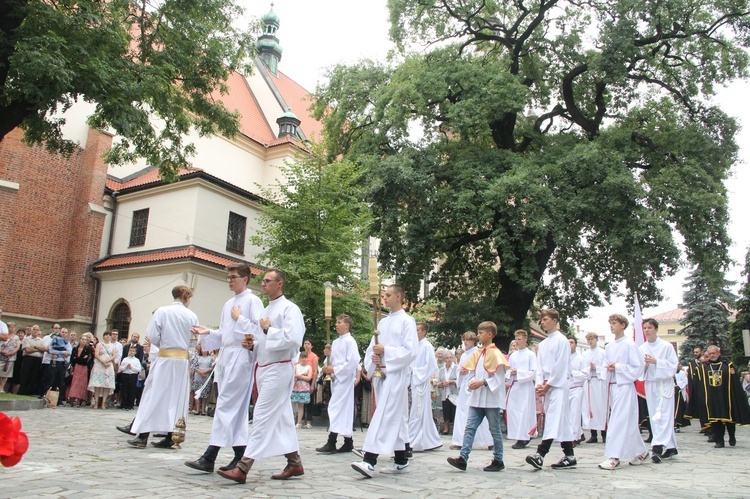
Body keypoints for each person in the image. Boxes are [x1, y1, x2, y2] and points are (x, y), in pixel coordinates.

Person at [217, 268, 306, 483]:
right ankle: (295, 463)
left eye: (268, 281)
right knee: (282, 418)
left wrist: (268, 331)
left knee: (262, 415)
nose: (263, 284)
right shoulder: (266, 310)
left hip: (279, 368)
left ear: (280, 284)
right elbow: (263, 342)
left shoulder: (290, 309)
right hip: (265, 367)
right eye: (263, 281)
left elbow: (294, 339)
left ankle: (243, 467)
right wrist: (252, 345)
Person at [184, 264, 263, 473]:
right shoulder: (229, 303)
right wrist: (208, 332)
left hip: (241, 356)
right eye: (228, 277)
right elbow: (225, 336)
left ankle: (210, 455)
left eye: (233, 277)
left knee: (227, 405)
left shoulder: (253, 301)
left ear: (245, 279)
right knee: (232, 407)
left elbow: (260, 331)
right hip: (227, 355)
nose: (229, 280)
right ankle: (239, 455)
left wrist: (240, 319)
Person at [351, 284, 418, 478]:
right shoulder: (382, 323)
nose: (384, 299)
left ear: (398, 296)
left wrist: (386, 352)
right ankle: (401, 460)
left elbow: (411, 350)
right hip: (382, 374)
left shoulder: (407, 321)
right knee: (394, 416)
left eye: (388, 295)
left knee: (384, 415)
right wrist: (372, 361)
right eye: (383, 295)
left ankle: (369, 460)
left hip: (396, 375)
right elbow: (373, 347)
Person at [124, 285, 199, 448]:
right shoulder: (192, 315)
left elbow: (152, 335)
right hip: (182, 361)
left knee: (154, 394)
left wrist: (164, 344)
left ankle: (143, 435)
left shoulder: (162, 311)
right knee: (177, 397)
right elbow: (194, 341)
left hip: (165, 358)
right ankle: (172, 436)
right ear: (185, 296)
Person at [447, 321, 509, 472]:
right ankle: (463, 458)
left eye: (481, 333)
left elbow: (499, 378)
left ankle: (498, 459)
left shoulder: (496, 354)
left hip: (490, 399)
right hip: (476, 398)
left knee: (494, 429)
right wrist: (470, 383)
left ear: (489, 334)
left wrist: (483, 382)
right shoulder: (477, 354)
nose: (478, 335)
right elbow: (470, 372)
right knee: (469, 428)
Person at [525, 309, 577, 470]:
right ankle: (570, 456)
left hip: (559, 385)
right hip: (547, 385)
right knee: (562, 422)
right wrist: (539, 384)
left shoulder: (562, 341)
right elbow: (539, 367)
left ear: (555, 320)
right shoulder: (543, 344)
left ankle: (540, 454)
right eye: (541, 320)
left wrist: (548, 385)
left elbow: (561, 366)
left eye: (546, 319)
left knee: (554, 419)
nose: (542, 323)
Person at [598, 314, 649, 470]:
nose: (611, 326)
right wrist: (607, 369)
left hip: (625, 386)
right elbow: (604, 365)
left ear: (622, 325)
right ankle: (641, 451)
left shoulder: (630, 345)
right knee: (626, 423)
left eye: (614, 323)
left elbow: (637, 367)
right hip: (613, 386)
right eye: (610, 323)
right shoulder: (610, 346)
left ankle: (614, 456)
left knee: (618, 422)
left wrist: (618, 367)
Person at [316, 314, 361, 454]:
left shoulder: (350, 341)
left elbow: (353, 362)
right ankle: (348, 442)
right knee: (344, 410)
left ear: (347, 325)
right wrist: (326, 360)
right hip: (337, 380)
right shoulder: (335, 342)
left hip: (345, 380)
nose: (336, 324)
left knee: (334, 407)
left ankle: (332, 441)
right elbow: (331, 361)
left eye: (339, 322)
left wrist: (335, 369)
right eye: (336, 322)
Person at [638, 318, 679, 462]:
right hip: (651, 384)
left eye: (649, 327)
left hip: (664, 383)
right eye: (645, 328)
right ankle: (671, 447)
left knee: (664, 415)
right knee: (655, 414)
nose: (647, 330)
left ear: (656, 329)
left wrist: (657, 362)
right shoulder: (642, 348)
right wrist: (645, 365)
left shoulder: (666, 346)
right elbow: (639, 370)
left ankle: (657, 447)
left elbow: (673, 365)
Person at [700, 345, 750, 447]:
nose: (712, 355)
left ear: (719, 353)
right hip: (712, 398)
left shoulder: (727, 364)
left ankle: (732, 436)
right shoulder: (705, 367)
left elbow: (734, 381)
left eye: (714, 353)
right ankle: (719, 441)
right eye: (710, 354)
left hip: (726, 397)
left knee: (729, 419)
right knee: (715, 420)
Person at [451, 331, 493, 450]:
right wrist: (461, 372)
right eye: (464, 340)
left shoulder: (478, 352)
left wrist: (468, 372)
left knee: (476, 412)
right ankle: (460, 440)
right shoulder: (464, 355)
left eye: (468, 340)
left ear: (474, 341)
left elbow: (479, 369)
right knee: (462, 412)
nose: (466, 342)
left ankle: (487, 440)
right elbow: (459, 369)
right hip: (464, 385)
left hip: (473, 385)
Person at [408, 322, 443, 452]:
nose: (415, 332)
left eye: (417, 330)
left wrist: (415, 371)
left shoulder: (427, 346)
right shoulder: (415, 345)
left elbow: (431, 366)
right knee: (420, 412)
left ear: (424, 332)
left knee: (418, 412)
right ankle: (431, 440)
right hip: (415, 380)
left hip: (420, 382)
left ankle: (414, 441)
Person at [506, 329, 537, 449]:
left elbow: (534, 372)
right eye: (516, 339)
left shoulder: (531, 355)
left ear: (525, 340)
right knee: (513, 411)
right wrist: (510, 373)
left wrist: (519, 372)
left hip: (525, 387)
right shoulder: (513, 355)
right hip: (515, 386)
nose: (517, 342)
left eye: (519, 339)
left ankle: (523, 437)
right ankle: (516, 435)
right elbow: (508, 370)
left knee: (524, 411)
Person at [582, 332, 607, 443]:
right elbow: (583, 368)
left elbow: (605, 367)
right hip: (589, 381)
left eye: (592, 339)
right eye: (588, 339)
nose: (590, 341)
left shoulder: (603, 352)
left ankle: (604, 433)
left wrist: (596, 368)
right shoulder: (585, 353)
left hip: (599, 382)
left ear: (597, 340)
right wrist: (588, 369)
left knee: (600, 408)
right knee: (590, 408)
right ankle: (593, 435)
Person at [88, 331, 116, 409]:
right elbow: (96, 354)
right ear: (103, 337)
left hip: (108, 365)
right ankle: (96, 402)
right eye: (106, 335)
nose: (108, 336)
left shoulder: (113, 346)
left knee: (106, 385)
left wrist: (107, 361)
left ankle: (103, 402)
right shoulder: (99, 345)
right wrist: (102, 361)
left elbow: (114, 356)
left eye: (109, 335)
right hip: (99, 365)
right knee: (98, 384)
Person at [568, 336, 587, 444]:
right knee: (567, 414)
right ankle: (579, 433)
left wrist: (572, 373)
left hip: (577, 388)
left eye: (571, 342)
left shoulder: (581, 358)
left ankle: (573, 438)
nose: (569, 344)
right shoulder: (562, 358)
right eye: (568, 343)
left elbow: (585, 374)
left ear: (575, 344)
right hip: (566, 389)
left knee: (575, 414)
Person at [68, 332, 94, 407]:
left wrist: (78, 359)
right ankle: (72, 398)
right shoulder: (75, 349)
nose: (84, 341)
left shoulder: (88, 349)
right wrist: (79, 359)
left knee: (81, 384)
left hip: (84, 368)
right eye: (82, 339)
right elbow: (73, 359)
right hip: (76, 367)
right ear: (80, 340)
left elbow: (86, 361)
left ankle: (79, 400)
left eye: (85, 340)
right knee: (74, 383)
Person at [437, 350, 458, 436]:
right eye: (447, 358)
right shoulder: (442, 370)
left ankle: (455, 428)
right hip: (445, 393)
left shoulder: (456, 368)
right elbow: (438, 382)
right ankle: (446, 428)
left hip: (454, 393)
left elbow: (460, 380)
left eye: (450, 357)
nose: (449, 359)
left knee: (454, 410)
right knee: (446, 410)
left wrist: (451, 381)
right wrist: (442, 383)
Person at [189, 343, 214, 416]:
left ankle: (203, 410)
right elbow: (195, 366)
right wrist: (200, 372)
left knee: (205, 394)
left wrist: (205, 372)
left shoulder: (210, 359)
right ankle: (197, 409)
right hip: (198, 377)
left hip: (206, 377)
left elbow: (211, 367)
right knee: (197, 393)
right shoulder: (197, 357)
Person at [19, 325, 44, 395]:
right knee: (25, 376)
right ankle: (22, 392)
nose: (35, 331)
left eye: (37, 330)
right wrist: (38, 349)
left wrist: (34, 347)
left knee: (34, 376)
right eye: (34, 329)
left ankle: (30, 392)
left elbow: (45, 349)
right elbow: (27, 350)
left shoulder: (41, 340)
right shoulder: (27, 339)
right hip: (28, 359)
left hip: (37, 360)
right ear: (32, 330)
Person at [302, 339, 319, 429]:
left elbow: (315, 371)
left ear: (311, 346)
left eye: (308, 343)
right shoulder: (301, 355)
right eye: (305, 343)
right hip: (301, 378)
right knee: (301, 400)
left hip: (310, 378)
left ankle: (308, 420)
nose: (306, 345)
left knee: (309, 401)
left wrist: (313, 384)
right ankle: (300, 419)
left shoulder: (314, 356)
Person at [292, 351, 313, 427]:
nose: (304, 359)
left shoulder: (309, 367)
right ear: (300, 358)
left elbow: (309, 377)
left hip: (303, 387)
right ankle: (291, 420)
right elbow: (293, 375)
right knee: (293, 403)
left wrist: (300, 376)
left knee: (301, 405)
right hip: (295, 386)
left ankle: (298, 422)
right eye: (302, 357)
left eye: (305, 357)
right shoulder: (296, 366)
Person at [118, 345, 142, 411]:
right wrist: (126, 367)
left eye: (133, 351)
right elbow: (120, 368)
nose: (131, 352)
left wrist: (132, 367)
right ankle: (124, 404)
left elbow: (138, 369)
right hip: (125, 375)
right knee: (124, 390)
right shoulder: (125, 359)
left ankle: (130, 404)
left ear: (135, 352)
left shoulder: (136, 360)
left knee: (132, 390)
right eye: (130, 350)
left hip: (133, 376)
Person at [0, 322, 21, 393]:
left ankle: (1, 388)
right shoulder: (3, 336)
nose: (11, 329)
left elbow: (17, 346)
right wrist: (2, 351)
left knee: (6, 374)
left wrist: (11, 353)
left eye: (13, 327)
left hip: (10, 358)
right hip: (1, 356)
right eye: (10, 327)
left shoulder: (16, 337)